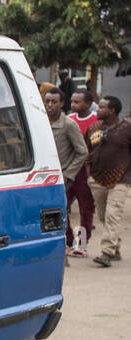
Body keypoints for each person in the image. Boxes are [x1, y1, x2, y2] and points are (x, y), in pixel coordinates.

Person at [45, 88, 92, 257]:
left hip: (72, 176)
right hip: (48, 177)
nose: (50, 105)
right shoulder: (41, 123)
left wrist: (68, 174)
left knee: (84, 209)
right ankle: (66, 243)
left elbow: (82, 152)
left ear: (62, 104)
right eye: (47, 101)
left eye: (54, 102)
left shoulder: (69, 125)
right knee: (57, 212)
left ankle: (82, 244)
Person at [87, 95, 131, 268]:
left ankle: (106, 253)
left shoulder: (127, 129)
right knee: (103, 216)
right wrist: (90, 174)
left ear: (112, 110)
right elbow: (88, 150)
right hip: (97, 179)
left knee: (113, 215)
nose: (98, 110)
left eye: (102, 107)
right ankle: (115, 247)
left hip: (121, 179)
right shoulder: (93, 128)